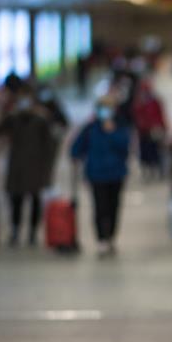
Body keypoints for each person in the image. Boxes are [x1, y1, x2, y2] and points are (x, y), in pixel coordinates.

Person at [70, 96, 131, 257]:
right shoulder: (90, 128)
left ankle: (111, 236)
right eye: (102, 108)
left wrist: (112, 133)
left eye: (108, 108)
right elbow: (76, 147)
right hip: (96, 175)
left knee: (113, 207)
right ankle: (101, 239)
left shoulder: (120, 126)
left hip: (116, 174)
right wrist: (75, 155)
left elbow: (125, 148)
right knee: (99, 207)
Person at [0, 87, 57, 247]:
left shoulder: (41, 120)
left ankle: (32, 232)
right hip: (17, 167)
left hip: (35, 167)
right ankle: (15, 230)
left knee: (35, 199)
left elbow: (50, 146)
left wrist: (47, 169)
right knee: (16, 200)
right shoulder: (13, 118)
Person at [133, 80, 168, 181]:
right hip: (143, 132)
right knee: (145, 153)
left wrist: (163, 127)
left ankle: (159, 170)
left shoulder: (155, 101)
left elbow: (161, 115)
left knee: (157, 151)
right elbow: (136, 116)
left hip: (155, 131)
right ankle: (148, 171)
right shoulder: (138, 103)